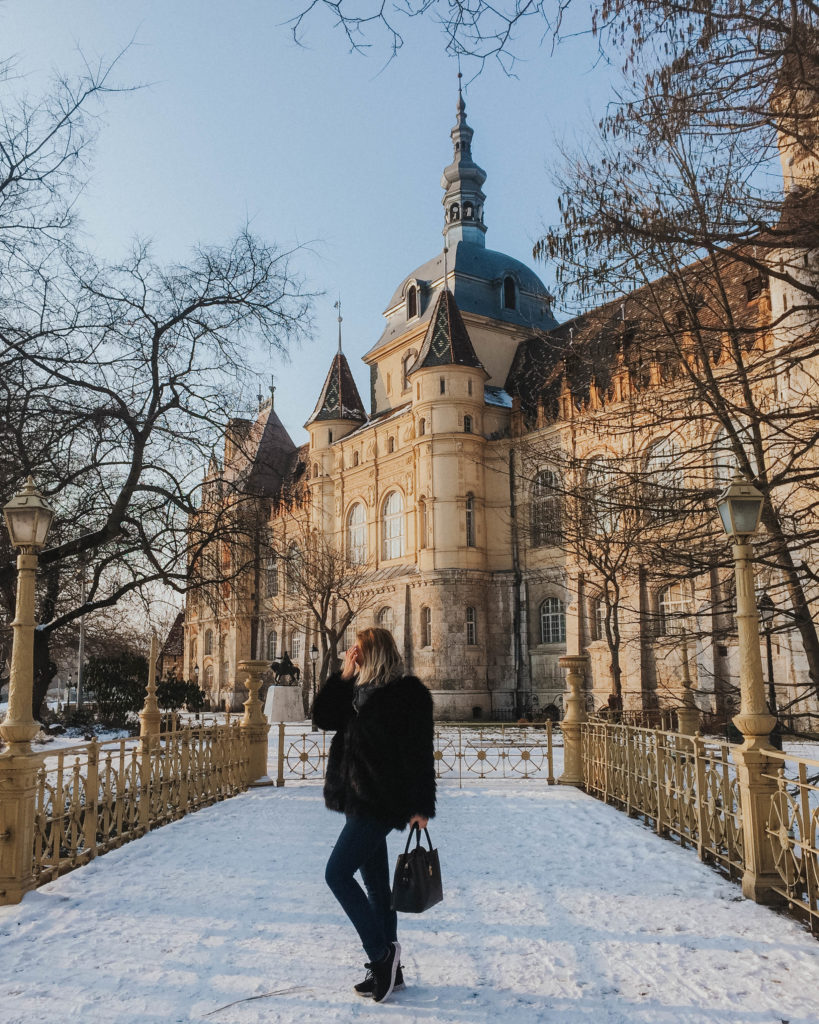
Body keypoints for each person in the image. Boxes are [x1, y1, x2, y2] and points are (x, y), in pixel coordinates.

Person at [312, 627, 436, 1004]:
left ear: (375, 653)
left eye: (358, 650)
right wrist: (343, 676)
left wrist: (420, 806)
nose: (353, 654)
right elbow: (322, 716)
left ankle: (380, 955)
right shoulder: (354, 690)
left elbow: (419, 750)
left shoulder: (408, 694)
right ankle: (392, 972)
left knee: (336, 873)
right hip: (356, 798)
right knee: (378, 890)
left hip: (382, 801)